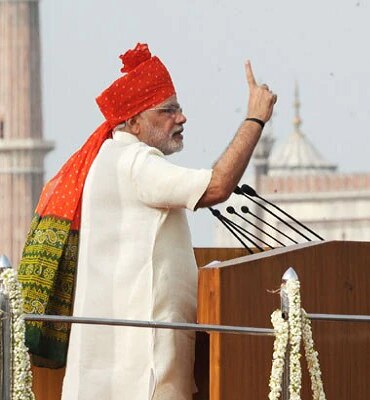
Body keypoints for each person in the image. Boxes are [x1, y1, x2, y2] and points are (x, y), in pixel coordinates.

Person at [17, 43, 276, 399]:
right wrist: (255, 119)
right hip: (139, 376)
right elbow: (216, 186)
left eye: (179, 109)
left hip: (119, 371)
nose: (181, 118)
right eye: (167, 111)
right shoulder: (134, 164)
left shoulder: (108, 159)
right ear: (134, 122)